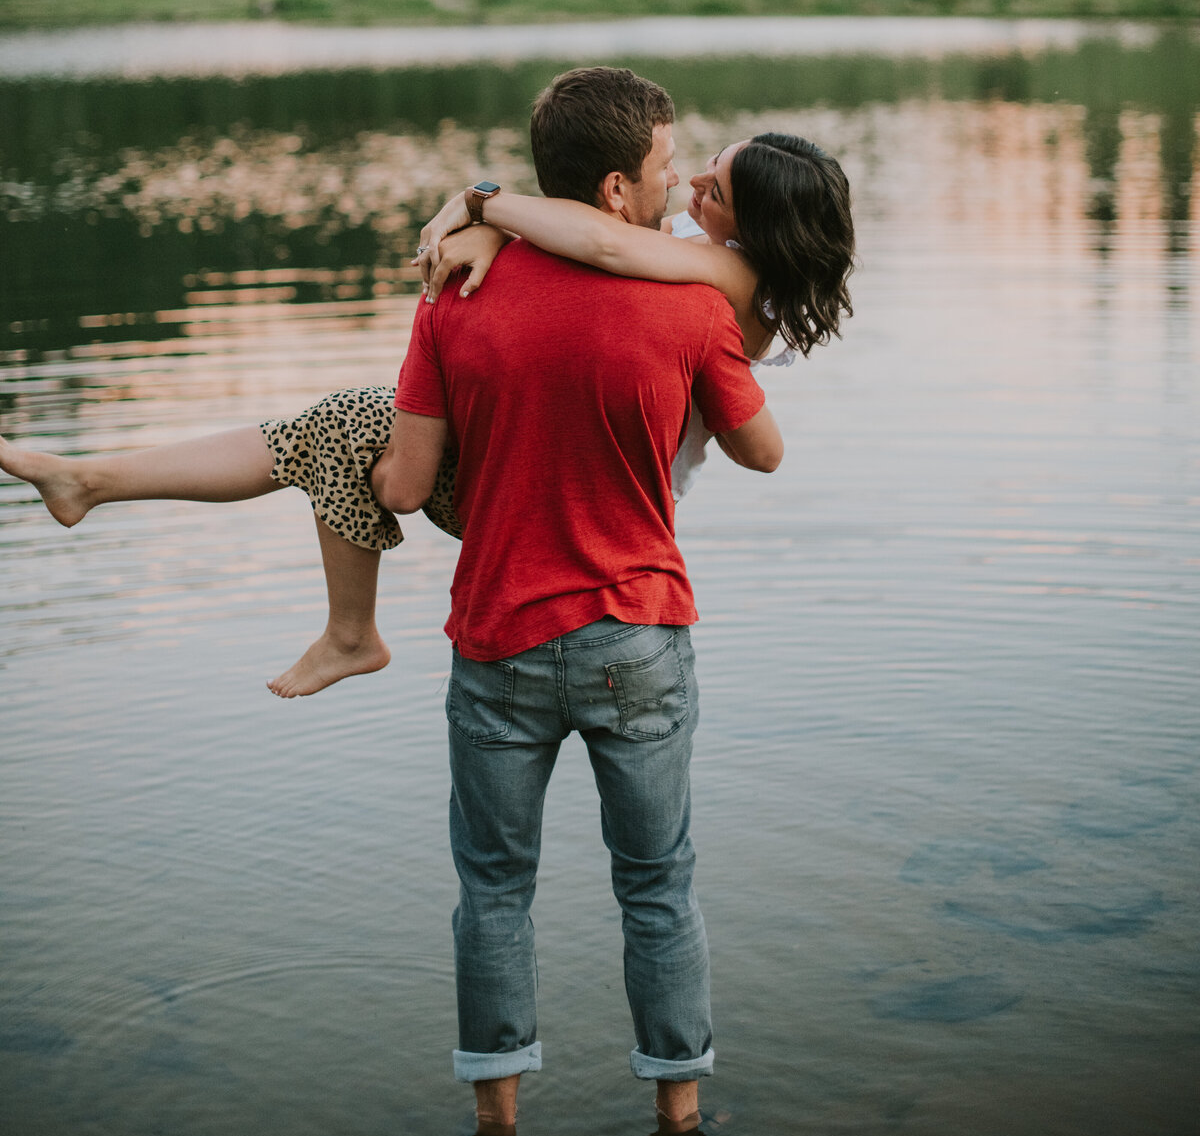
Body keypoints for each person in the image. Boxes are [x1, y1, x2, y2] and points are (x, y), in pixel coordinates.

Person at [0, 79, 855, 705]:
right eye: (693, 167)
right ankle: (95, 482)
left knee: (338, 423)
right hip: (586, 501)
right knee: (329, 423)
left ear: (750, 226)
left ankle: (345, 630)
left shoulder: (724, 278)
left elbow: (610, 249)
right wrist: (483, 219)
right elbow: (597, 232)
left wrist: (481, 205)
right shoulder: (697, 247)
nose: (691, 186)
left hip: (576, 497)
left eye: (713, 187)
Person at [371, 64, 784, 1136]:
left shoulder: (451, 296)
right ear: (613, 191)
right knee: (657, 889)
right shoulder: (693, 303)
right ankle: (681, 1117)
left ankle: (499, 1129)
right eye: (662, 165)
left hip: (499, 640)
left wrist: (356, 461)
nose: (675, 180)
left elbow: (407, 490)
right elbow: (757, 450)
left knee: (495, 890)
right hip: (637, 641)